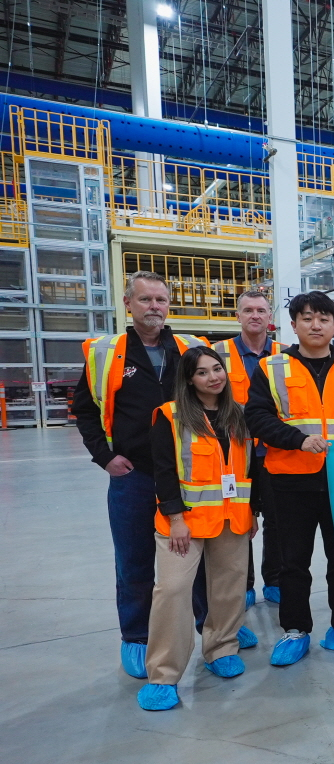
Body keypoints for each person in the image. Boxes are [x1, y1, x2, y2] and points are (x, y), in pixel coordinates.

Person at [73, 270, 211, 679]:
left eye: (161, 300)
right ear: (128, 303)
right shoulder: (105, 352)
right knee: (133, 560)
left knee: (197, 556)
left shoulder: (190, 348)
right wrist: (104, 457)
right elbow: (84, 410)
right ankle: (135, 636)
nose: (154, 307)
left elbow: (215, 403)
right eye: (146, 299)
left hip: (188, 474)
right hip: (134, 475)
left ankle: (210, 627)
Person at [245, 291, 334, 666]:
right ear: (294, 325)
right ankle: (295, 629)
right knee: (292, 561)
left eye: (323, 318)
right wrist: (298, 440)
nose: (315, 325)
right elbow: (256, 417)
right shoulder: (272, 367)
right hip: (289, 479)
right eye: (306, 318)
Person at [137, 346, 257, 710]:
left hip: (232, 517)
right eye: (202, 372)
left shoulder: (239, 415)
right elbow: (163, 470)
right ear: (189, 379)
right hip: (184, 523)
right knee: (172, 590)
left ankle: (221, 648)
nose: (213, 377)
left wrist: (252, 511)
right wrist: (175, 519)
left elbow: (249, 468)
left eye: (217, 369)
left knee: (229, 587)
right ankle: (163, 674)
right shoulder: (170, 416)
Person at [212, 290, 284, 608]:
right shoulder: (217, 353)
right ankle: (243, 584)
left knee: (277, 519)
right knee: (238, 519)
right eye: (248, 310)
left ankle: (275, 580)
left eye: (261, 310)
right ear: (237, 316)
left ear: (270, 317)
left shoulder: (286, 354)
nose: (255, 315)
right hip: (233, 452)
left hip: (273, 451)